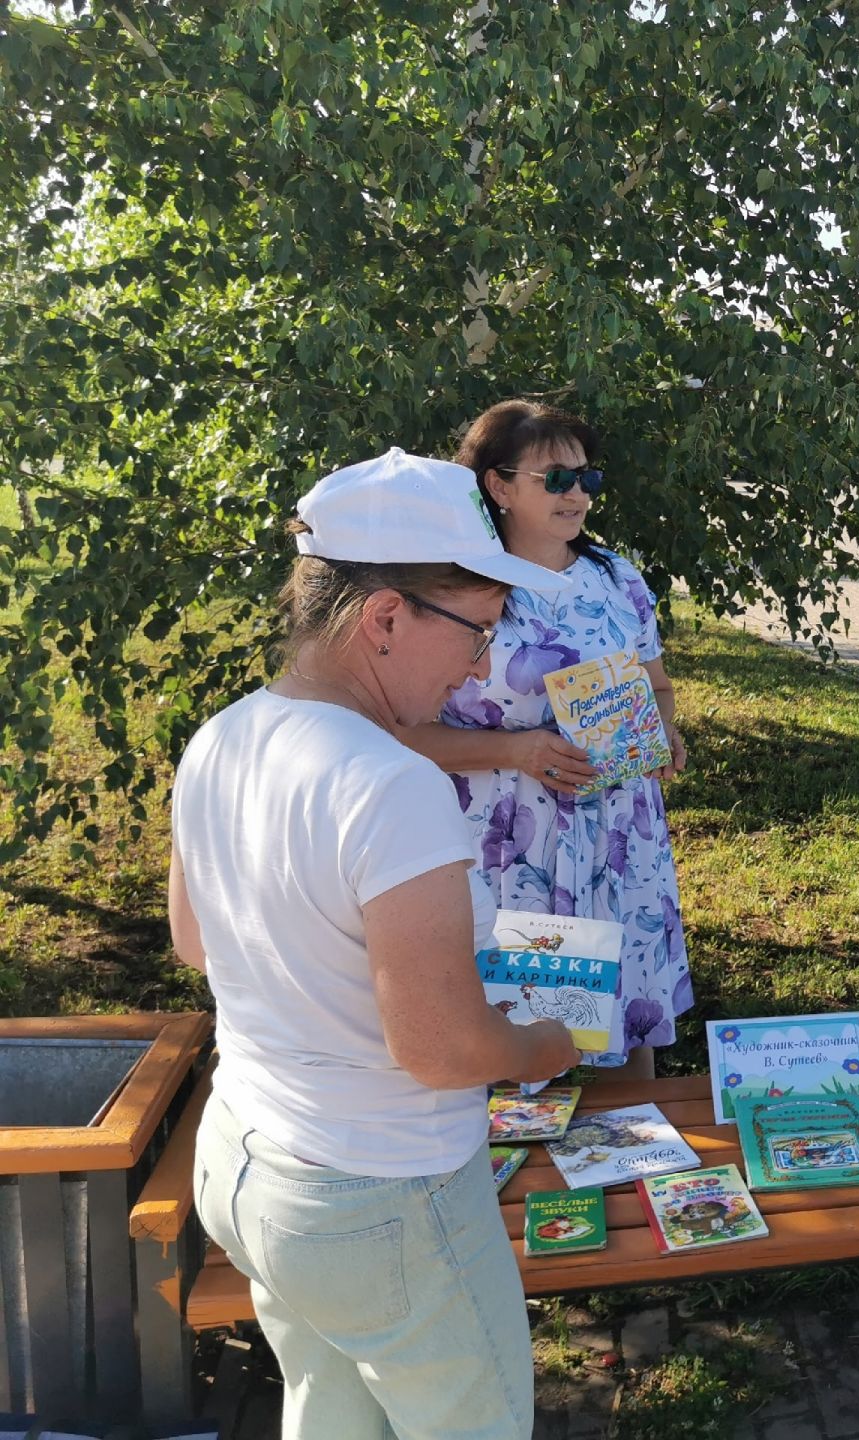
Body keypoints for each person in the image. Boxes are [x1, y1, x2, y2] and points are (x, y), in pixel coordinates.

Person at [170, 448, 581, 1439]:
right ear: (386, 616)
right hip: (382, 1198)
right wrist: (545, 1045)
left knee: (330, 1412)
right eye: (477, 632)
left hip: (246, 1162)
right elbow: (441, 1049)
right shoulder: (390, 784)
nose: (482, 666)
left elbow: (195, 943)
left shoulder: (222, 736)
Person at [400, 400, 691, 1077]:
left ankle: (626, 1161)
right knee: (514, 1045)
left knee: (621, 1033)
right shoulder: (457, 587)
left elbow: (659, 686)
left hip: (619, 842)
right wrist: (516, 751)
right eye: (556, 478)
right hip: (510, 847)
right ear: (498, 486)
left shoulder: (617, 576)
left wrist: (665, 732)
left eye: (587, 479)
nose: (578, 495)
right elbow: (399, 733)